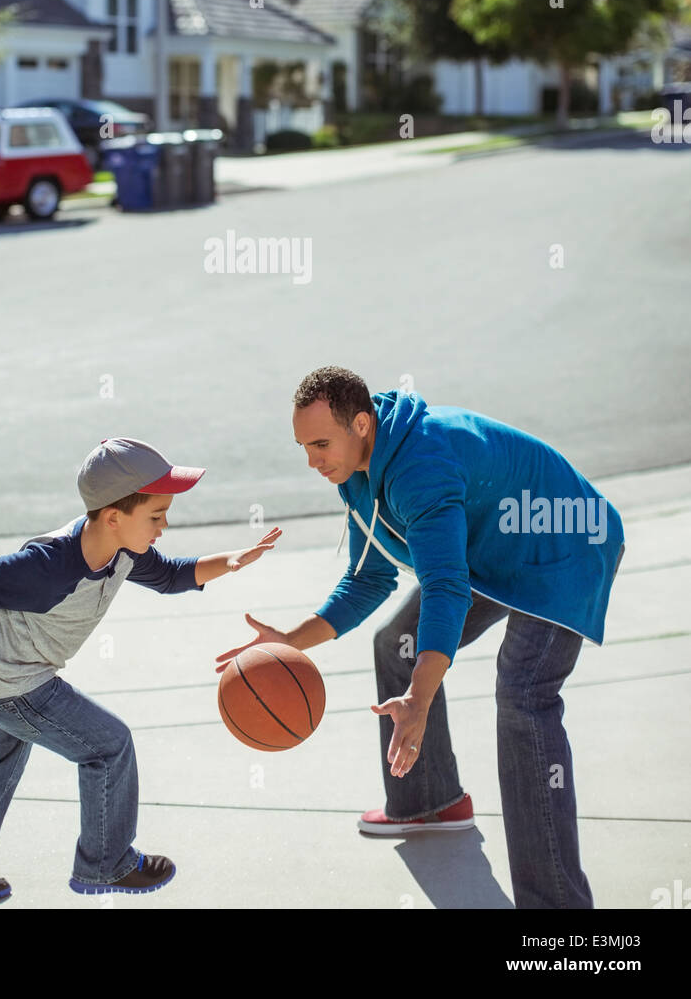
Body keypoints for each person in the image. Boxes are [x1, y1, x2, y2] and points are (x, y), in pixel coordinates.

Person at [216, 366, 625, 910]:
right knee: (397, 642)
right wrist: (291, 639)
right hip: (495, 550)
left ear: (361, 424)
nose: (312, 460)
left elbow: (447, 588)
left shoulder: (419, 466)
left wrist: (420, 696)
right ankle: (429, 801)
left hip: (564, 544)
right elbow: (371, 576)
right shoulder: (357, 471)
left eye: (320, 443)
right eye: (304, 447)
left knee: (524, 697)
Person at [0, 437, 280, 905]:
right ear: (114, 516)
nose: (164, 527)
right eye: (157, 516)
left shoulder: (122, 550)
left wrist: (231, 561)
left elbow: (169, 577)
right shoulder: (51, 565)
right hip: (9, 681)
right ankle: (106, 863)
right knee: (109, 744)